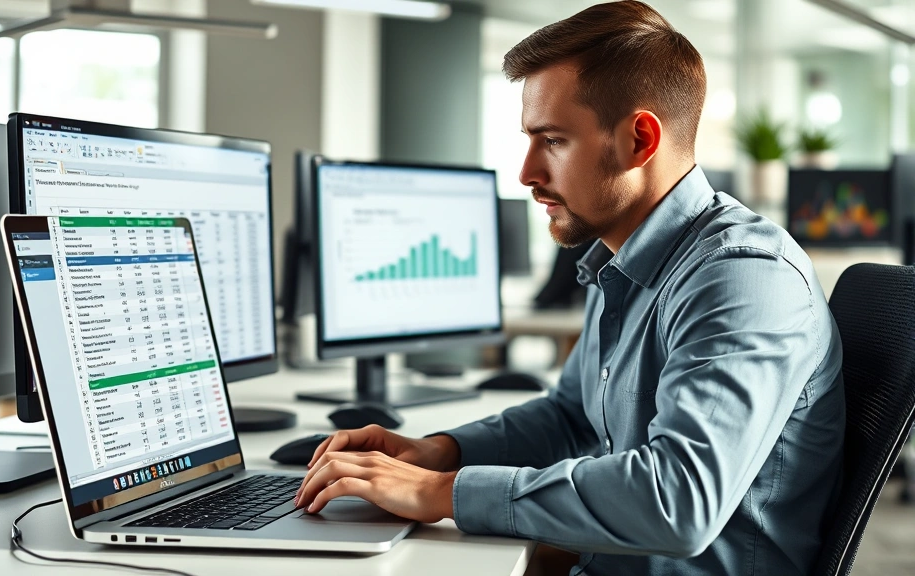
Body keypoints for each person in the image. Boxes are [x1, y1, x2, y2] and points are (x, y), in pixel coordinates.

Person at [294, 1, 845, 574]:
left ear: (639, 140)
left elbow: (677, 502)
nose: (526, 172)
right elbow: (573, 417)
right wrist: (439, 452)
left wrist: (442, 492)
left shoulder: (742, 276)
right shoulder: (621, 257)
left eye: (552, 140)